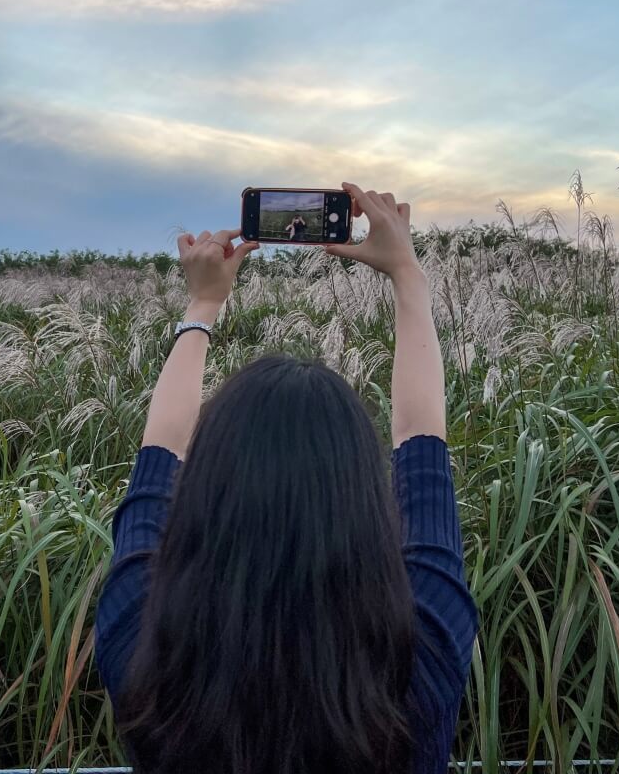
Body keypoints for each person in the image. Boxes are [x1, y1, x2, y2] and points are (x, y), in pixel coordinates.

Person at [94, 181, 479, 774]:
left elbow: (156, 458)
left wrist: (201, 307)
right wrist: (407, 274)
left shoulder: (141, 649)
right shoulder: (421, 662)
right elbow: (422, 437)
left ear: (203, 498)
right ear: (367, 508)